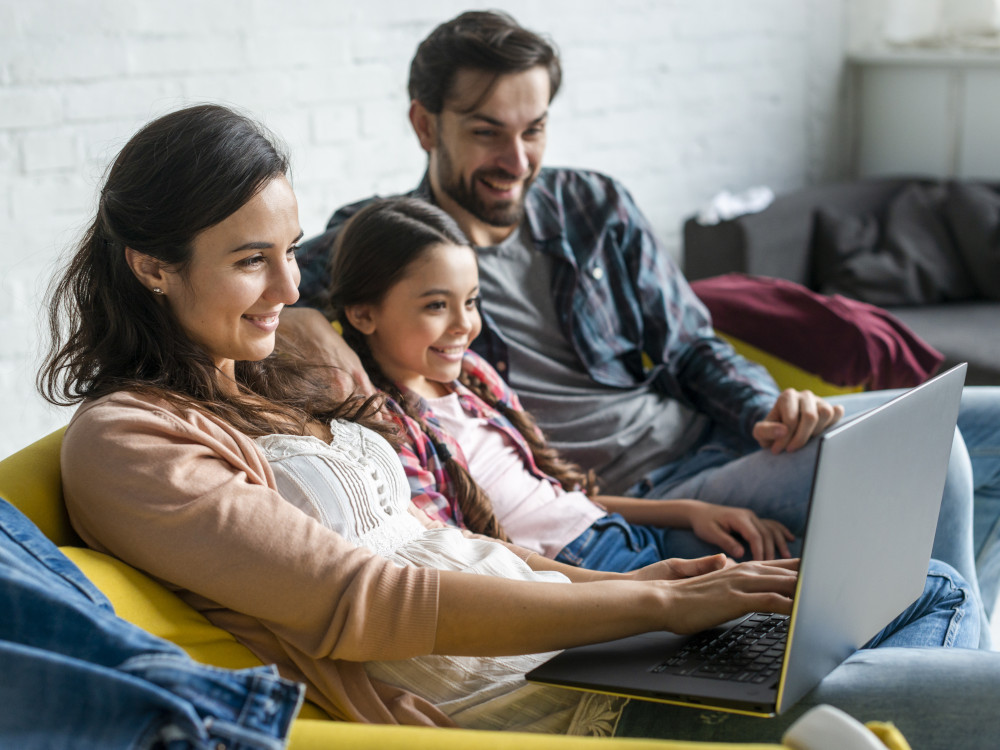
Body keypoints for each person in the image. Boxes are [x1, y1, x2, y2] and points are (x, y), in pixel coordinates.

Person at [37, 103, 1000, 748]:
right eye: (253, 260)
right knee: (965, 681)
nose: (292, 287)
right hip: (533, 697)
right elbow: (365, 600)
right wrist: (654, 610)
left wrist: (620, 582)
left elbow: (442, 537)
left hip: (583, 636)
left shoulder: (277, 370)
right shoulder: (128, 442)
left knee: (934, 586)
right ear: (150, 266)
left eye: (291, 252)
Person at [291, 10, 1000, 635]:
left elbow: (691, 345)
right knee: (934, 459)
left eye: (533, 130)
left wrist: (764, 409)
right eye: (486, 133)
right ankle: (947, 659)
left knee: (988, 426)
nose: (516, 161)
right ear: (425, 124)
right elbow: (270, 295)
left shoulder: (594, 205)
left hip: (726, 441)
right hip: (639, 493)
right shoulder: (389, 247)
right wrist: (316, 330)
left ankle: (960, 643)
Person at [328, 196, 795, 566]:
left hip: (617, 532)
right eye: (436, 306)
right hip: (578, 570)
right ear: (364, 313)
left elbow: (562, 502)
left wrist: (693, 512)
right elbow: (457, 554)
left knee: (794, 569)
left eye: (471, 302)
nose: (464, 326)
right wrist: (638, 593)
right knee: (770, 604)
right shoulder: (385, 429)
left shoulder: (473, 378)